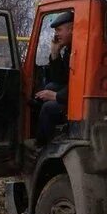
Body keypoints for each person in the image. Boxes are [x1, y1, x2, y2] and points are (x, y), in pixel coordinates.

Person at [33, 12, 72, 145]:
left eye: (59, 30)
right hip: (71, 93)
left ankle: (41, 146)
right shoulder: (69, 49)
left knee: (48, 108)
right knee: (49, 87)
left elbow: (78, 83)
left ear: (71, 29)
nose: (56, 35)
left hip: (79, 100)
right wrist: (55, 53)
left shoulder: (80, 50)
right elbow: (61, 79)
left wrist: (57, 96)